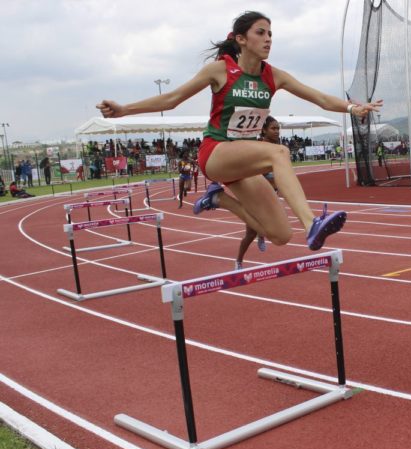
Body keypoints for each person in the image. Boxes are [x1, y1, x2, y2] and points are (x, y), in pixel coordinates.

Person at [96, 11, 382, 252]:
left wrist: (351, 109)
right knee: (279, 152)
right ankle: (312, 224)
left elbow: (318, 97)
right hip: (216, 153)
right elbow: (171, 99)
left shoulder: (274, 76)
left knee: (280, 235)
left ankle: (218, 199)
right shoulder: (220, 70)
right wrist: (124, 110)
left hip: (243, 163)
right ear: (242, 40)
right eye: (261, 32)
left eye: (271, 33)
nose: (268, 38)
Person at [234, 115, 282, 269]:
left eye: (278, 128)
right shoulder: (258, 149)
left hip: (271, 195)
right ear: (263, 130)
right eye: (273, 128)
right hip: (255, 196)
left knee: (276, 227)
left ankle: (261, 234)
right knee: (249, 234)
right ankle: (239, 261)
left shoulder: (279, 148)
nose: (277, 131)